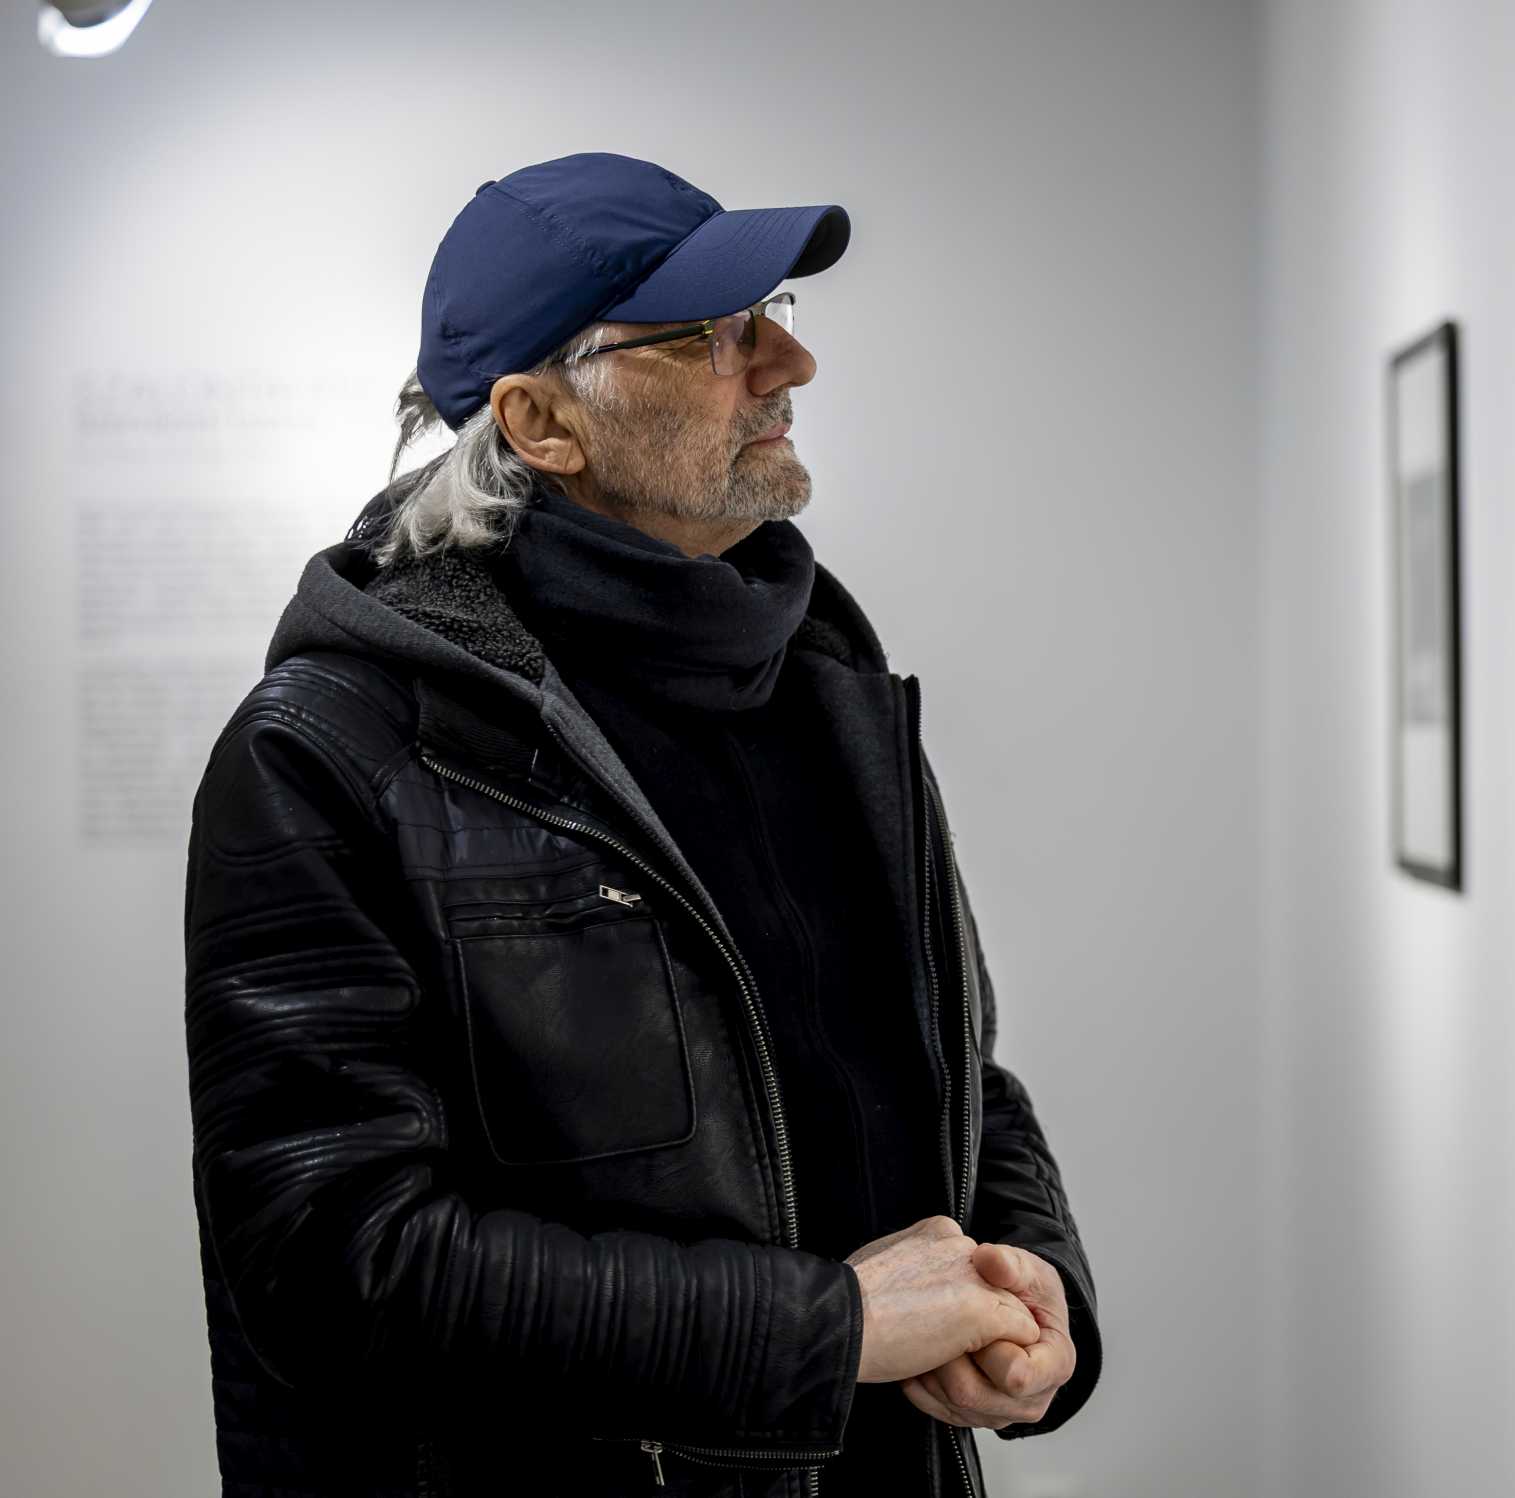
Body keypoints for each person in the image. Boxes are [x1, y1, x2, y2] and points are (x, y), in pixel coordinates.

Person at [182, 152, 1101, 1498]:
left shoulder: (829, 691)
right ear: (541, 422)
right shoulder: (334, 751)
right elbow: (334, 1258)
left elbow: (959, 1074)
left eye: (772, 311)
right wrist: (825, 1331)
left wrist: (1030, 1281)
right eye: (712, 335)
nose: (789, 362)